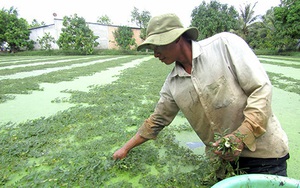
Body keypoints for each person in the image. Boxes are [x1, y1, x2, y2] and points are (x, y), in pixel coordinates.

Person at [113, 13, 289, 176]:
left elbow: (261, 89)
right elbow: (156, 121)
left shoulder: (224, 46)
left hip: (264, 157)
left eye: (157, 45)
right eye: (152, 47)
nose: (155, 53)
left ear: (177, 38)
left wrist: (241, 136)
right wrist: (125, 149)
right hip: (222, 165)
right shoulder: (172, 83)